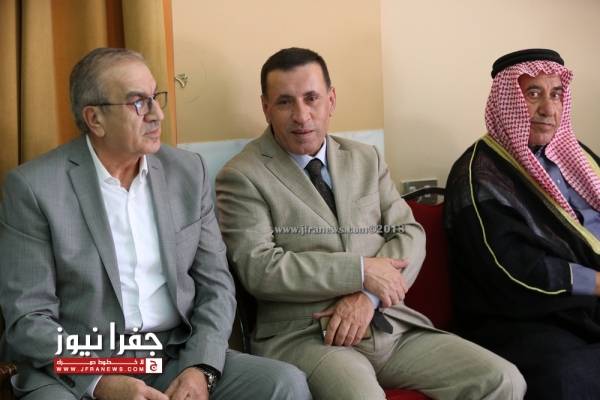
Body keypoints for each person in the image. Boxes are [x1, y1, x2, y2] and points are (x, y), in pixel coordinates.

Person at [0, 47, 311, 400]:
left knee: (283, 383)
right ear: (95, 119)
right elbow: (29, 318)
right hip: (77, 365)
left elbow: (216, 286)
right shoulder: (35, 187)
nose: (157, 114)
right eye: (138, 102)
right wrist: (101, 381)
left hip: (172, 355)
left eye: (155, 98)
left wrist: (201, 368)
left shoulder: (187, 172)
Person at [216, 47, 525, 400]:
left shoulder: (366, 158)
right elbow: (259, 269)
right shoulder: (241, 175)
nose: (301, 115)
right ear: (266, 107)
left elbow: (408, 233)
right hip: (306, 336)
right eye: (285, 102)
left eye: (311, 98)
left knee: (503, 379)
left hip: (388, 324)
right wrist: (361, 272)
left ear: (331, 100)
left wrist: (368, 296)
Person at [444, 48, 600, 399]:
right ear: (507, 103)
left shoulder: (579, 156)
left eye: (556, 94)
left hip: (586, 309)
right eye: (533, 94)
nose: (548, 109)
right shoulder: (479, 174)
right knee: (568, 377)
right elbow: (511, 268)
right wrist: (596, 283)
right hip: (525, 318)